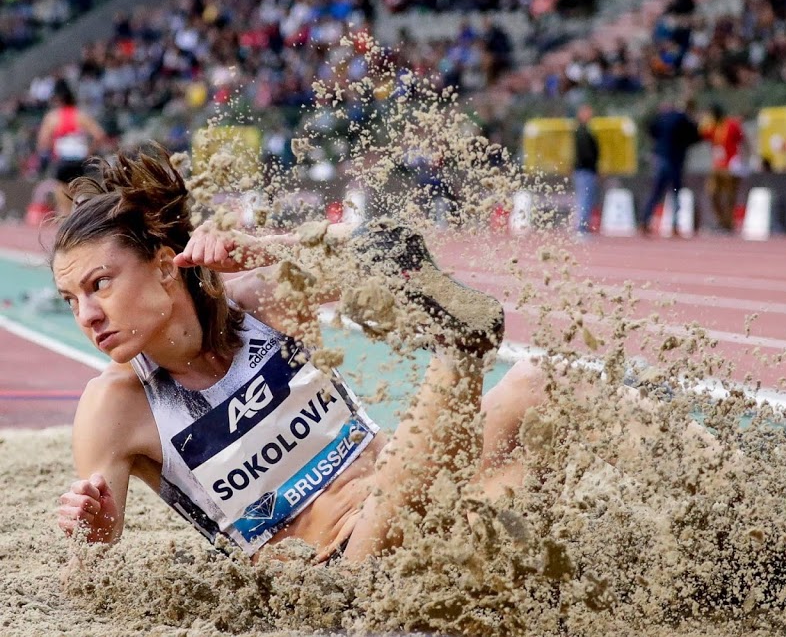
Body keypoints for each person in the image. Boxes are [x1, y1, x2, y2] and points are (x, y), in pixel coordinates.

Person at [54, 149, 556, 564]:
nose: (88, 315)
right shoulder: (114, 407)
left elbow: (391, 248)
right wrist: (92, 533)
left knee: (535, 381)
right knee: (409, 481)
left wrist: (267, 247)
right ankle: (463, 348)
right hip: (342, 566)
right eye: (71, 299)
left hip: (420, 491)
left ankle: (522, 523)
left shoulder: (262, 302)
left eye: (100, 284)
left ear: (166, 267)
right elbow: (89, 572)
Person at [36, 79, 108, 215]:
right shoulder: (81, 115)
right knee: (79, 198)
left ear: (57, 99)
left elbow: (42, 142)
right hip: (79, 161)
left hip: (63, 161)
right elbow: (100, 135)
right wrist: (89, 151)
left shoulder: (52, 117)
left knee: (63, 200)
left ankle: (65, 222)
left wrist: (54, 148)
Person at [639, 99, 700, 236]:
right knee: (675, 191)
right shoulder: (683, 118)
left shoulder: (661, 117)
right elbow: (695, 135)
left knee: (656, 191)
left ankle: (645, 220)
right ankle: (674, 225)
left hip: (660, 157)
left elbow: (650, 129)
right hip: (675, 159)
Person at [699, 104, 748, 232]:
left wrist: (745, 160)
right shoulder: (712, 126)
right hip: (717, 166)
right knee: (712, 193)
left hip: (731, 165)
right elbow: (701, 133)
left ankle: (728, 223)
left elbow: (743, 141)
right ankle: (720, 220)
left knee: (730, 195)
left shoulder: (732, 124)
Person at [572, 104, 601, 237]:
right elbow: (587, 153)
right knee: (584, 198)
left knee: (586, 198)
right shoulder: (582, 132)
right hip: (585, 169)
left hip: (585, 169)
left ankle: (583, 226)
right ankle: (581, 227)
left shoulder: (585, 130)